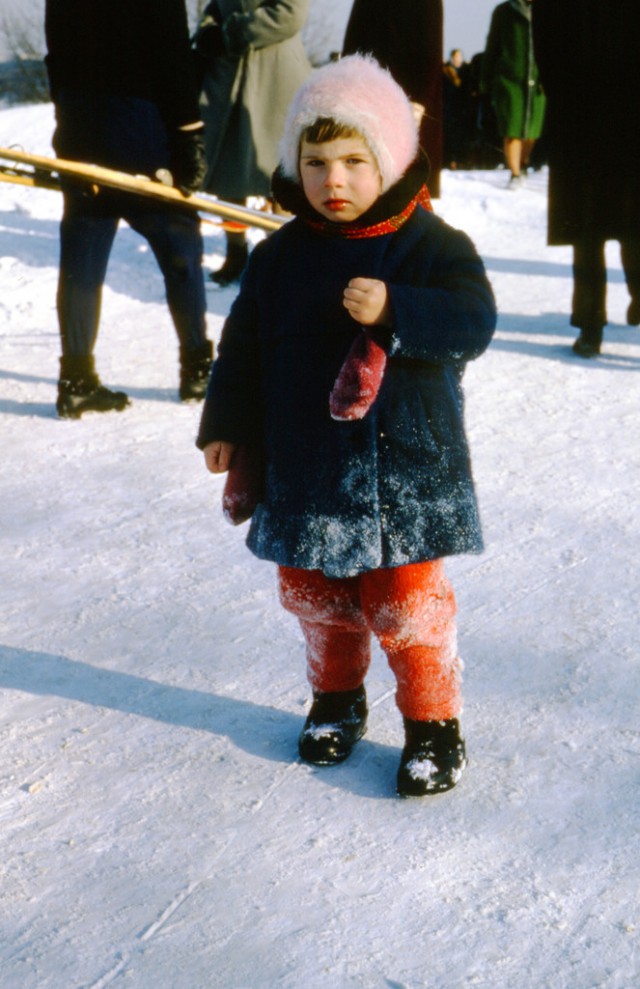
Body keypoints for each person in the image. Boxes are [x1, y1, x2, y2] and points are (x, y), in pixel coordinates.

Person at [197, 56, 497, 797]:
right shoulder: (277, 259)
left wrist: (399, 306)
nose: (335, 179)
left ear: (390, 157)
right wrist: (227, 424)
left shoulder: (429, 243)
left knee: (405, 601)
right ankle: (336, 696)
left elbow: (474, 319)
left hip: (403, 463)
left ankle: (433, 721)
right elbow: (242, 349)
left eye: (356, 161)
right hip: (306, 466)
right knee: (318, 595)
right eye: (317, 160)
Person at [44, 0, 213, 418]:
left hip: (80, 123)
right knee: (179, 241)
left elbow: (54, 54)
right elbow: (171, 55)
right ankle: (198, 369)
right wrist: (189, 137)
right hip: (140, 124)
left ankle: (76, 379)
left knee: (84, 250)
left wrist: (68, 115)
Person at [533, 1, 640, 357]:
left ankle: (592, 326)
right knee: (627, 221)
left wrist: (561, 97)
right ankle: (619, 309)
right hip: (621, 110)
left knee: (589, 226)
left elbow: (544, 45)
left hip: (579, 112)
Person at [193, 0, 311, 286]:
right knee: (228, 173)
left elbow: (290, 14)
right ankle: (236, 253)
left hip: (274, 77)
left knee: (277, 174)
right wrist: (208, 28)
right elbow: (217, 7)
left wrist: (230, 34)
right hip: (230, 76)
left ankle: (285, 261)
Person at [342, 0, 444, 198]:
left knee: (408, 179)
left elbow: (431, 49)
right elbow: (353, 42)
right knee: (368, 172)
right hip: (368, 91)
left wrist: (420, 100)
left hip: (410, 94)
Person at [480, 0, 546, 189]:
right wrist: (486, 80)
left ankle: (523, 164)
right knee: (512, 130)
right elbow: (492, 45)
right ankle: (515, 173)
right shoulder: (504, 11)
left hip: (538, 82)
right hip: (510, 82)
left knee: (532, 133)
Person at [442, 48, 473, 169]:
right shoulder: (446, 70)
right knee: (450, 135)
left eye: (459, 57)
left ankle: (461, 160)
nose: (457, 59)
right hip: (449, 108)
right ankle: (451, 160)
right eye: (455, 57)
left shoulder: (466, 71)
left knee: (462, 136)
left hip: (462, 108)